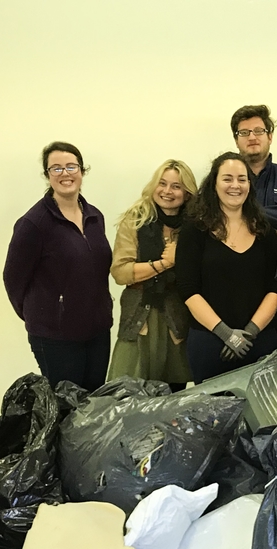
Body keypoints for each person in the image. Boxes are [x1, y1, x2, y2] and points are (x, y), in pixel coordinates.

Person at [4, 141, 113, 392]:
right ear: (47, 175)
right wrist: (46, 313)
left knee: (93, 406)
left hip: (97, 330)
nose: (65, 174)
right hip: (56, 337)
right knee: (66, 410)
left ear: (82, 171)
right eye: (56, 169)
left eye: (71, 166)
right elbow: (13, 279)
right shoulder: (33, 224)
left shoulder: (95, 216)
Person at [175, 152, 277, 383]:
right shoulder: (195, 229)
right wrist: (226, 334)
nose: (235, 185)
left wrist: (250, 333)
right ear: (214, 183)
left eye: (242, 179)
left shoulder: (264, 229)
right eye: (227, 178)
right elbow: (188, 289)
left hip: (260, 343)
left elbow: (276, 287)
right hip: (209, 344)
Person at [107, 160, 197, 391]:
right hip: (139, 317)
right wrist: (164, 264)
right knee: (127, 394)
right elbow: (121, 272)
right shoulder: (135, 220)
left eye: (176, 186)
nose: (167, 192)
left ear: (187, 193)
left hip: (178, 319)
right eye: (162, 184)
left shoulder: (195, 226)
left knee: (173, 398)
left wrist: (185, 252)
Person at [230, 104, 277, 232]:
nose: (252, 137)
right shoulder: (224, 182)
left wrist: (245, 212)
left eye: (258, 131)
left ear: (270, 137)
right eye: (244, 133)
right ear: (236, 140)